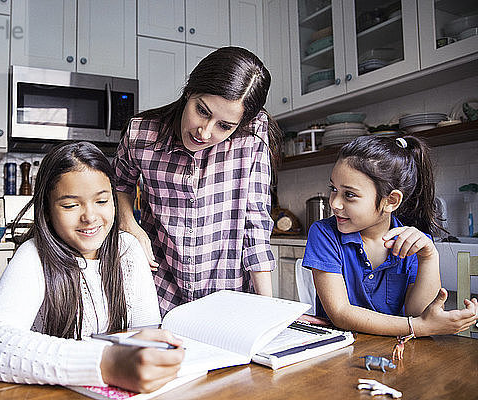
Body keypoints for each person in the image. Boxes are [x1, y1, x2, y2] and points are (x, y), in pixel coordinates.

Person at [0, 142, 184, 393]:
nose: (89, 217)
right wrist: (105, 362)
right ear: (46, 209)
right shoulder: (34, 256)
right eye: (70, 205)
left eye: (101, 201)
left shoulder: (128, 250)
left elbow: (147, 333)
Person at [113, 46, 282, 315]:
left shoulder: (252, 137)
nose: (204, 132)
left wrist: (268, 309)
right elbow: (119, 185)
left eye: (224, 126)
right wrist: (129, 225)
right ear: (189, 90)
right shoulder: (141, 133)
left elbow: (256, 220)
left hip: (230, 297)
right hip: (160, 291)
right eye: (202, 111)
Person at [303, 135, 478, 337]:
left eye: (349, 194)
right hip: (339, 353)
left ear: (391, 201)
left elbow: (418, 312)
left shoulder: (414, 244)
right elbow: (341, 313)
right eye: (334, 189)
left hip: (397, 353)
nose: (334, 203)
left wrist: (429, 257)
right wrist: (419, 327)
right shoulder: (324, 234)